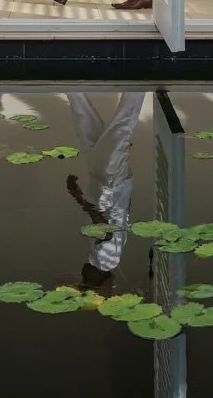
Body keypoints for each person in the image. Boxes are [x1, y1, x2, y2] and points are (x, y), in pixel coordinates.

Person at [63, 91, 146, 290]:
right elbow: (105, 229)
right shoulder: (107, 262)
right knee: (121, 129)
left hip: (103, 182)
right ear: (99, 279)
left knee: (85, 125)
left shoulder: (96, 260)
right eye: (87, 280)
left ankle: (71, 86)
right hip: (111, 183)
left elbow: (124, 216)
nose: (83, 275)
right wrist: (78, 197)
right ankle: (138, 85)